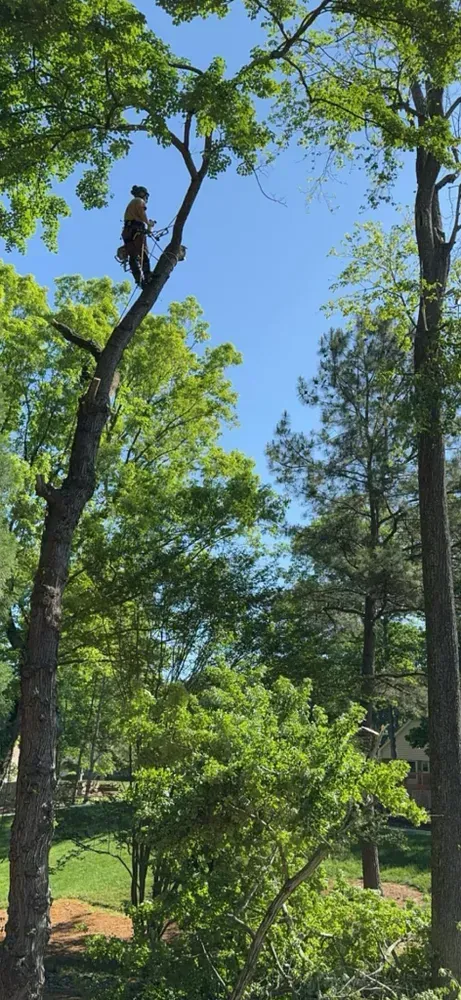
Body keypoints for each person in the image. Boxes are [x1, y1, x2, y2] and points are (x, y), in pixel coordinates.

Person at [121, 185, 156, 287]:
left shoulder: (131, 204)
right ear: (142, 194)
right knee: (143, 253)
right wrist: (148, 224)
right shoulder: (139, 201)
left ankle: (139, 280)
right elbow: (142, 213)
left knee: (133, 257)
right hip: (136, 230)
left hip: (127, 232)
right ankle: (147, 275)